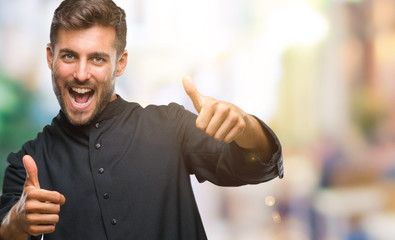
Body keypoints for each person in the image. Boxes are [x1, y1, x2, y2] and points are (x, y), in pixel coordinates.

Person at [0, 0, 283, 239]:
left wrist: (246, 126)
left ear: (120, 63)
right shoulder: (27, 162)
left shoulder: (171, 127)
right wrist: (17, 220)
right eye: (70, 56)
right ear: (50, 57)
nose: (82, 73)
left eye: (97, 59)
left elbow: (259, 166)